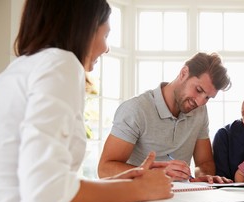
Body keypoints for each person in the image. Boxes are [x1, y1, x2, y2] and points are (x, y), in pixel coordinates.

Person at [0, 0, 172, 202]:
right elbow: (46, 196)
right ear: (83, 26)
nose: (107, 48)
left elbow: (37, 180)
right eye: (106, 34)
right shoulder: (60, 64)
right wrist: (139, 189)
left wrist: (117, 182)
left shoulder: (18, 69)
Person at [98, 52, 233, 183]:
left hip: (181, 198)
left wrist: (203, 177)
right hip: (138, 197)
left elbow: (204, 162)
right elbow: (104, 169)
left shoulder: (200, 111)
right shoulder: (136, 109)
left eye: (208, 97)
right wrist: (156, 173)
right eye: (198, 90)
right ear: (184, 73)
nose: (200, 102)